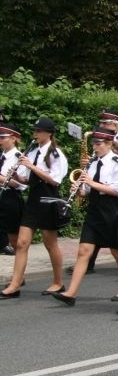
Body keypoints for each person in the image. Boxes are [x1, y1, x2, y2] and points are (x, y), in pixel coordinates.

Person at [51, 127, 118, 306]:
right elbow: (87, 191)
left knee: (117, 252)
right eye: (93, 144)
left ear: (109, 144)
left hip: (113, 211)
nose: (95, 147)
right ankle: (71, 293)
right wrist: (79, 190)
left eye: (98, 144)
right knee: (83, 251)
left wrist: (91, 183)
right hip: (95, 211)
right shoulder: (93, 163)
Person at [1, 117, 69, 298]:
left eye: (39, 131)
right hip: (33, 200)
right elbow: (28, 181)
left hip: (48, 199)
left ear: (49, 133)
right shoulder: (32, 152)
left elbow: (54, 180)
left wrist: (32, 167)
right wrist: (17, 175)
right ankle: (15, 284)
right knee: (22, 243)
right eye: (35, 131)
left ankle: (58, 282)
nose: (35, 134)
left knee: (50, 243)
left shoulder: (56, 154)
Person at [70, 108, 118, 276]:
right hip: (98, 188)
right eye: (101, 122)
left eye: (105, 123)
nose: (101, 125)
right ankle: (88, 261)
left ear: (115, 125)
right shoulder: (99, 139)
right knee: (99, 225)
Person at [0, 123, 28, 261]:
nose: (0, 140)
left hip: (10, 198)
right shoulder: (2, 155)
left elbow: (21, 185)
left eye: (3, 137)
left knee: (14, 239)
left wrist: (1, 179)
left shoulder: (19, 157)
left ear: (13, 139)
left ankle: (19, 272)